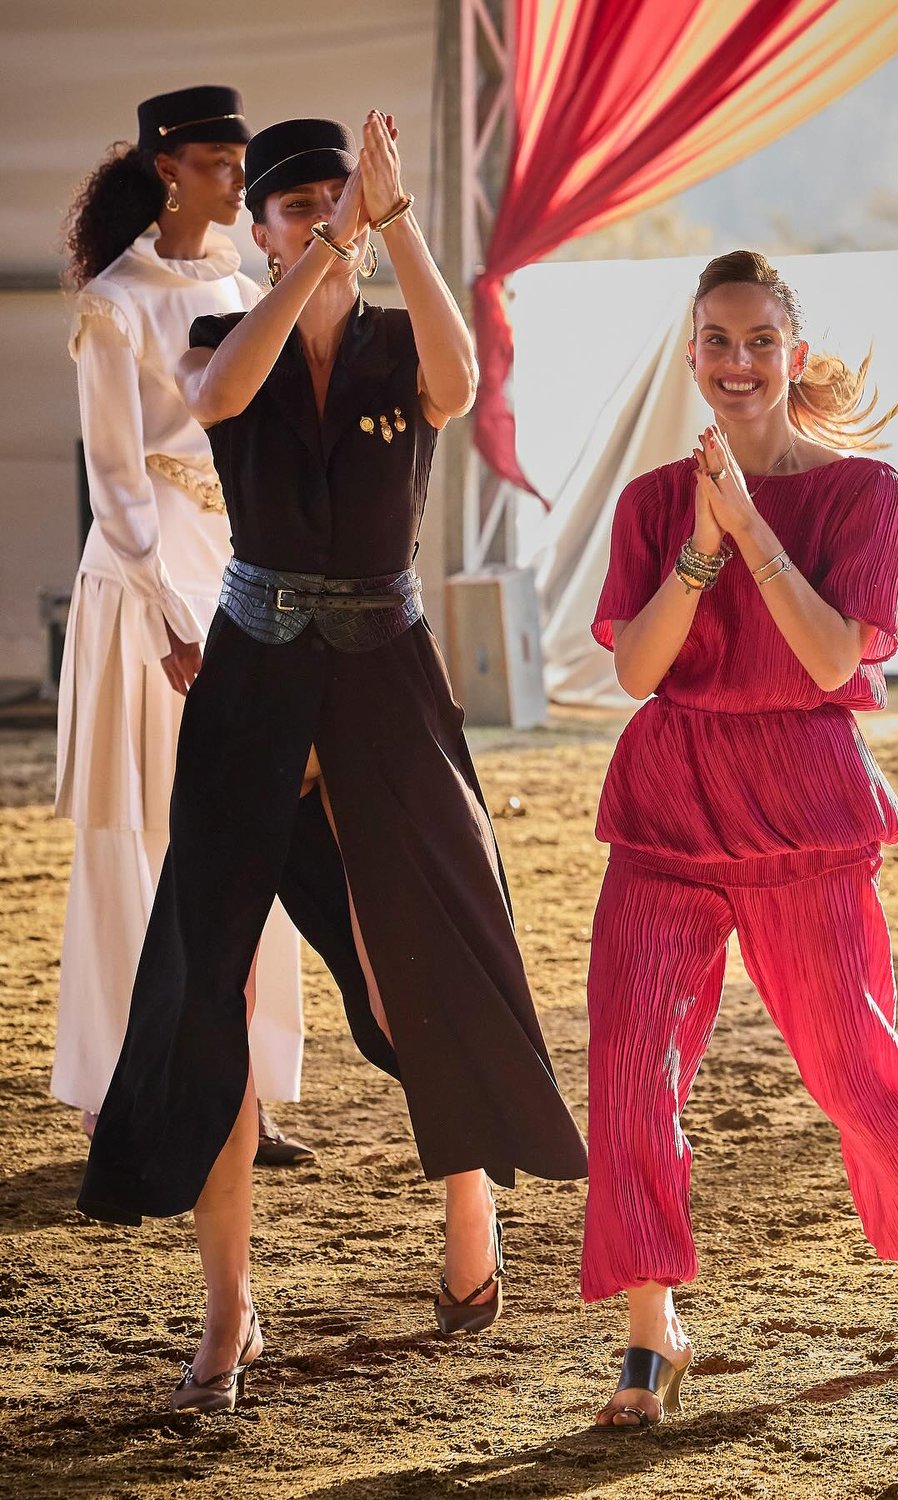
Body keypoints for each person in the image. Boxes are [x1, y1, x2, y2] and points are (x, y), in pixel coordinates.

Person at [77, 114, 587, 1413]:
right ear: (258, 230)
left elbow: (460, 390)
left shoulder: (401, 336)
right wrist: (326, 250)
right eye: (294, 208)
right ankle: (229, 1310)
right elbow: (215, 402)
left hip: (386, 684)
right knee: (218, 994)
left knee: (413, 950)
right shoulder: (220, 337)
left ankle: (472, 1222)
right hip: (255, 684)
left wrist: (397, 224)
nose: (321, 219)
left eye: (332, 201)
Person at [582, 251, 898, 1429]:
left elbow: (827, 659)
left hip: (805, 804)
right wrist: (701, 550)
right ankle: (653, 1334)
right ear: (693, 354)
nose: (738, 363)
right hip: (667, 806)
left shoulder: (869, 497)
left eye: (760, 340)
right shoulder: (655, 503)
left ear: (794, 355)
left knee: (846, 1059)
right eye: (716, 340)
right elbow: (637, 668)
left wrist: (751, 526)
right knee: (629, 1067)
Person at [55, 85, 312, 1166]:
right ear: (170, 167)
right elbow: (113, 479)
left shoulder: (242, 282)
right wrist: (171, 612)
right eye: (220, 162)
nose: (235, 179)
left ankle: (241, 1094)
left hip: (237, 565)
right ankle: (126, 1087)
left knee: (246, 827)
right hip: (144, 579)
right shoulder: (113, 304)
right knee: (139, 835)